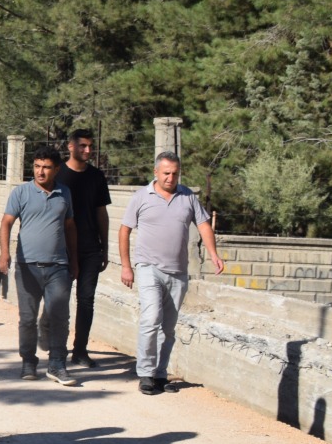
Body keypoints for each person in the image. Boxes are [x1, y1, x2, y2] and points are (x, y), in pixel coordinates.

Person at [118, 152, 225, 395]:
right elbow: (124, 230)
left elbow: (203, 225)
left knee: (168, 327)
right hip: (149, 268)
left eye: (175, 173)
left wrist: (213, 253)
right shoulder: (141, 197)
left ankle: (160, 374)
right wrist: (126, 266)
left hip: (178, 271)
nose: (170, 177)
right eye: (166, 173)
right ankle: (145, 373)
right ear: (156, 172)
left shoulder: (188, 197)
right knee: (150, 318)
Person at [0, 146, 79, 385]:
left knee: (60, 317)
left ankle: (57, 364)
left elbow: (70, 227)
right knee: (27, 318)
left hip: (58, 266)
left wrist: (74, 260)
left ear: (57, 169)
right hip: (27, 266)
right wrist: (4, 254)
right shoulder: (21, 192)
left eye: (46, 167)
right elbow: (6, 223)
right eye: (36, 166)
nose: (40, 172)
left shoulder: (65, 193)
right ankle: (28, 361)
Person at [60, 130, 111, 367]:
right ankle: (56, 346)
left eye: (90, 146)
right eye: (82, 146)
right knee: (59, 298)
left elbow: (102, 213)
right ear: (70, 146)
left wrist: (105, 248)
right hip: (61, 248)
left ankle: (80, 350)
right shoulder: (58, 174)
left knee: (86, 300)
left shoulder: (96, 177)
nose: (87, 150)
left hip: (90, 248)